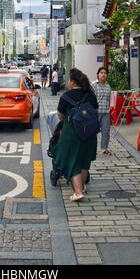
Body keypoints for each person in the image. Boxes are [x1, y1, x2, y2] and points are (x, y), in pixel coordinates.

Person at [52, 68, 98, 202]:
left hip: (71, 134)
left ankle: (78, 192)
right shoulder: (90, 95)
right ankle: (81, 187)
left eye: (68, 80)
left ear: (72, 82)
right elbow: (95, 111)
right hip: (89, 133)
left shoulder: (66, 96)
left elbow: (60, 116)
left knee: (71, 160)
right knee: (84, 161)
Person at [92, 67, 112, 155]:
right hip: (94, 113)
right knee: (92, 132)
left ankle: (104, 148)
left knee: (106, 131)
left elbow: (109, 99)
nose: (103, 74)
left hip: (105, 112)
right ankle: (91, 148)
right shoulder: (93, 85)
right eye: (101, 72)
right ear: (98, 74)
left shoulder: (108, 86)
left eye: (105, 73)